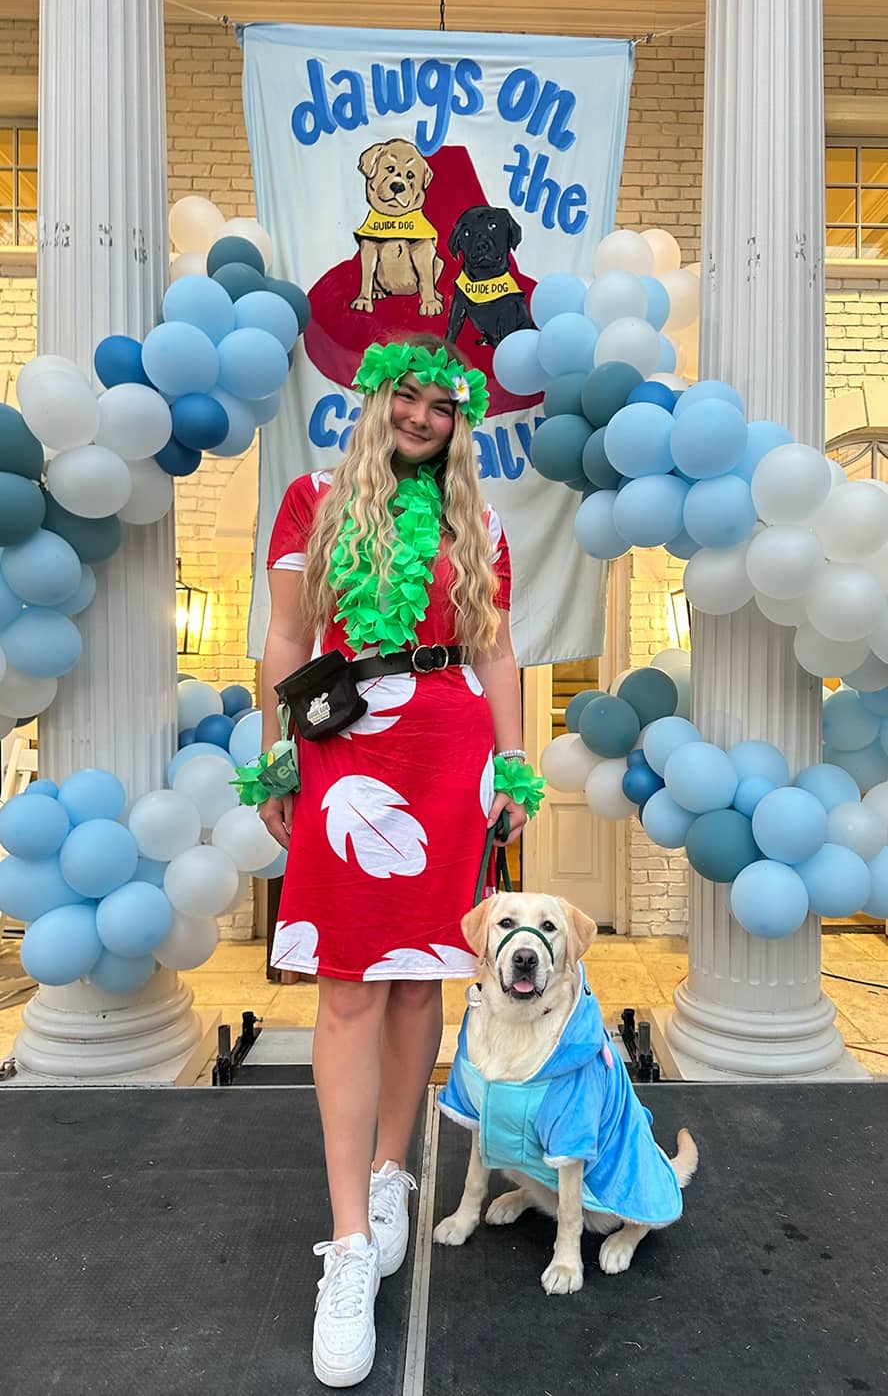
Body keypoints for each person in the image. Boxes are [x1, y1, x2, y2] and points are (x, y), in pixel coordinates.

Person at [258, 336, 543, 1388]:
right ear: (374, 399)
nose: (424, 418)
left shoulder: (486, 523)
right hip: (346, 744)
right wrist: (276, 758)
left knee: (423, 975)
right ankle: (347, 1246)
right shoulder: (311, 498)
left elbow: (498, 649)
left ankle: (391, 1173)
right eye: (407, 398)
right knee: (346, 987)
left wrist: (512, 767)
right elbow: (288, 639)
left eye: (443, 406)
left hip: (451, 749)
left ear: (460, 421)